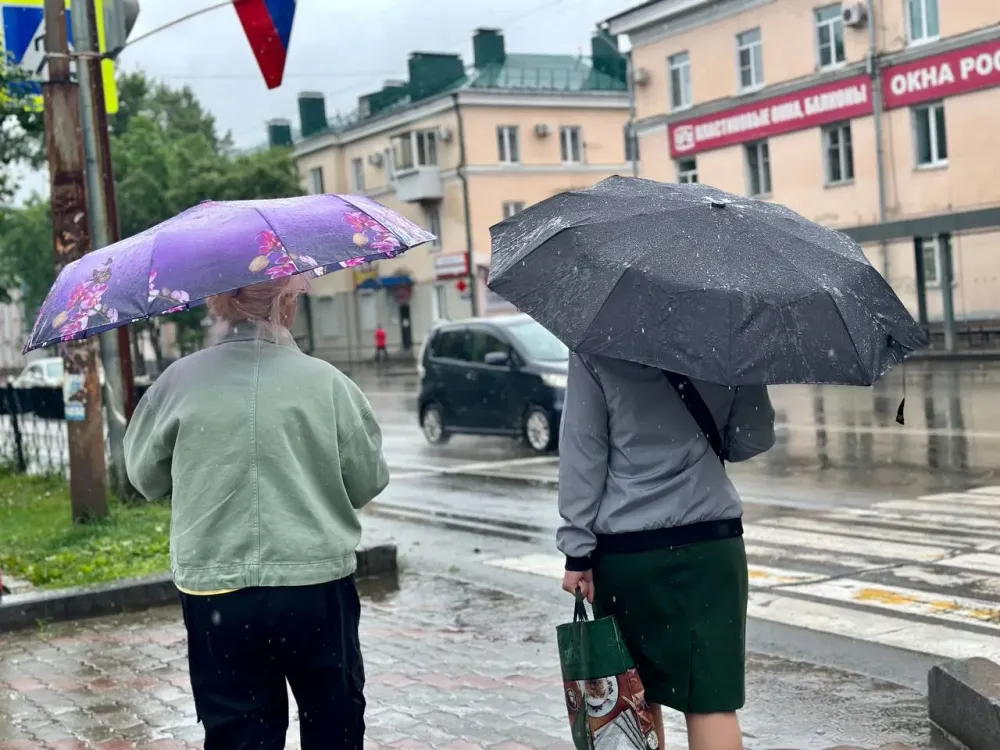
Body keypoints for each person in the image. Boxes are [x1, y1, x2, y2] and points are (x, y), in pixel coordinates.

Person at [124, 274, 389, 750]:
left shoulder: (179, 382)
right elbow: (368, 479)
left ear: (219, 306)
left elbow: (145, 477)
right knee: (334, 723)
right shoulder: (327, 383)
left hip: (218, 589)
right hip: (315, 585)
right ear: (286, 304)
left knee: (237, 732)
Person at [558, 352, 775, 750]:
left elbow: (583, 451)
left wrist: (577, 552)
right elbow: (753, 437)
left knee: (634, 697)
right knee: (712, 701)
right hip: (711, 546)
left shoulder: (595, 341)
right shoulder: (728, 332)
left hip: (630, 552)